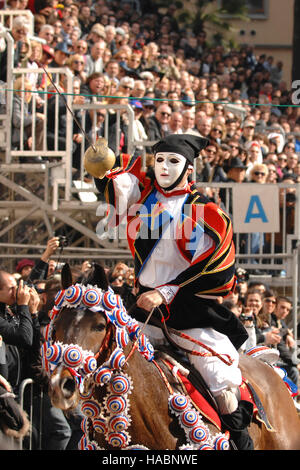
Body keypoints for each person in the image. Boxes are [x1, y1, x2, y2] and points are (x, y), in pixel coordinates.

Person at [92, 134, 253, 450]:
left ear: (189, 169)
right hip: (142, 311)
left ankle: (240, 441)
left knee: (219, 377)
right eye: (160, 160)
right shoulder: (145, 199)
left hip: (188, 313)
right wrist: (101, 170)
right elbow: (120, 188)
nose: (164, 167)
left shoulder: (206, 212)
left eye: (173, 161)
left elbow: (215, 266)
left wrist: (165, 293)